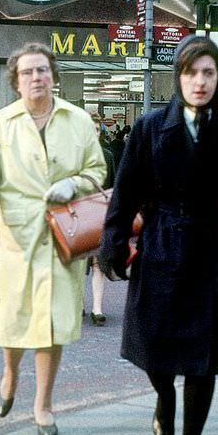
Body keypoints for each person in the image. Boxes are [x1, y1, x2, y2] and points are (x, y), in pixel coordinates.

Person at [98, 36, 218, 435]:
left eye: (208, 73)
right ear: (178, 77)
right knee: (154, 352)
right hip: (161, 245)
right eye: (191, 73)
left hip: (212, 252)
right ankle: (164, 400)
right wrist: (113, 245)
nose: (199, 82)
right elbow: (124, 193)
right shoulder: (149, 128)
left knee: (204, 359)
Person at [0, 42, 106, 435]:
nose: (37, 78)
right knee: (15, 319)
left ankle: (43, 404)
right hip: (19, 239)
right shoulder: (2, 125)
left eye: (42, 70)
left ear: (53, 75)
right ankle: (9, 376)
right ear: (16, 81)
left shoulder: (77, 120)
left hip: (64, 237)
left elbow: (97, 169)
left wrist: (73, 183)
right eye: (27, 73)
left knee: (54, 326)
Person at [86, 118, 116, 326]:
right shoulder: (73, 155)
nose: (94, 132)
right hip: (78, 216)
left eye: (97, 129)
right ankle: (78, 304)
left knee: (99, 263)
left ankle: (97, 308)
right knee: (78, 264)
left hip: (99, 216)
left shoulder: (107, 156)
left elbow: (114, 185)